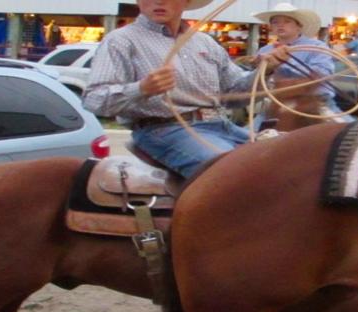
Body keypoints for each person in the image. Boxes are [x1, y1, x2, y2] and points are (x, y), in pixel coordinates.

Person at [83, 0, 267, 178]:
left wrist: (267, 70)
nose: (159, 1)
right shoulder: (121, 40)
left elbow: (235, 95)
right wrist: (141, 89)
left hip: (220, 126)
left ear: (186, 2)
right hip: (164, 130)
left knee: (281, 163)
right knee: (231, 172)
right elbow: (94, 99)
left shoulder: (205, 42)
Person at [249, 3, 353, 127]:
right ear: (271, 27)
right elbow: (257, 84)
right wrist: (258, 70)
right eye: (275, 22)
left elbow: (322, 73)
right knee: (250, 139)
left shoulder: (317, 47)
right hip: (277, 104)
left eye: (287, 21)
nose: (280, 25)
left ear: (299, 26)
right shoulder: (264, 51)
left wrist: (284, 61)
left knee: (350, 134)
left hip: (316, 104)